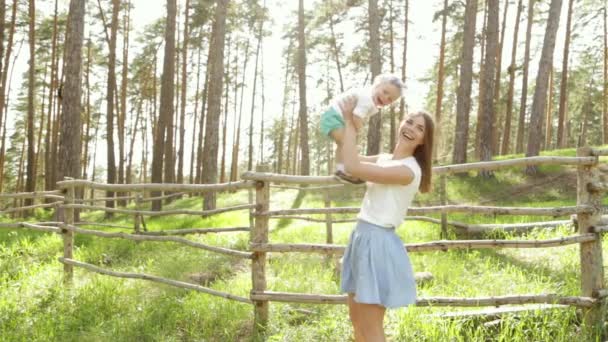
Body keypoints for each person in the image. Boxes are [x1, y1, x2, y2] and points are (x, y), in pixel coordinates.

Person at [338, 97, 435, 342]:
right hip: (361, 237)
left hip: (378, 243)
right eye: (410, 122)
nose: (411, 128)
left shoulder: (408, 170)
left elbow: (354, 166)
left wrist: (351, 124)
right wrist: (346, 123)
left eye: (420, 128)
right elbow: (343, 163)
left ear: (424, 141)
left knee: (371, 330)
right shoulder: (384, 158)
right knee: (357, 325)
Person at [319, 74, 405, 184]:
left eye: (390, 99)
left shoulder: (368, 98)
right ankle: (342, 170)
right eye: (385, 92)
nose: (385, 98)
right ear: (376, 85)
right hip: (334, 116)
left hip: (334, 116)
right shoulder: (367, 99)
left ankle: (341, 170)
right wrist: (359, 130)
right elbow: (356, 117)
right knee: (346, 143)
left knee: (344, 144)